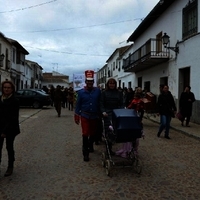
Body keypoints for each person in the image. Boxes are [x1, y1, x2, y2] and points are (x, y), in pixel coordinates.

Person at [74, 70, 101, 162]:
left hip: (95, 116)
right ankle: (85, 153)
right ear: (86, 82)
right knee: (85, 133)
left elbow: (100, 103)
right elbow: (78, 104)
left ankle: (91, 145)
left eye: (91, 81)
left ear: (93, 82)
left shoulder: (98, 91)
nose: (89, 83)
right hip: (85, 115)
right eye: (88, 81)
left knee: (93, 133)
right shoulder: (81, 92)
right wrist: (76, 115)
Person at [0, 80, 20, 176]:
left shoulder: (15, 101)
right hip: (0, 127)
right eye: (5, 87)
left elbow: (13, 118)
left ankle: (10, 166)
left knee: (9, 147)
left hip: (11, 128)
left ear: (12, 89)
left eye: (8, 88)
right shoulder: (0, 99)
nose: (6, 89)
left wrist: (5, 131)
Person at [100, 78, 123, 155]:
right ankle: (109, 149)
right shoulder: (104, 93)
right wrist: (103, 111)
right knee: (109, 131)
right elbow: (101, 104)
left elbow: (122, 103)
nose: (112, 85)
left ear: (115, 84)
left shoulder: (119, 93)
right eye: (110, 83)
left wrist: (121, 110)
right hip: (107, 113)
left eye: (113, 83)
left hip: (117, 113)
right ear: (108, 84)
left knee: (117, 130)